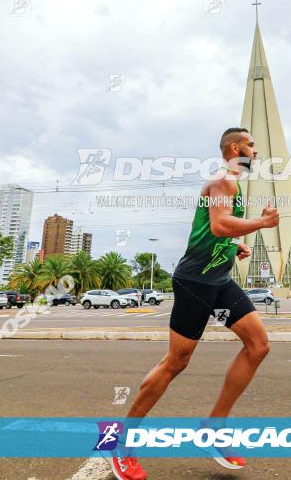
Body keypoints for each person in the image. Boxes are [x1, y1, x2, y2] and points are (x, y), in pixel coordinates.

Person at [109, 128, 279, 480]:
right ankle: (121, 443)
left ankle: (213, 426)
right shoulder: (224, 181)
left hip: (218, 280)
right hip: (195, 281)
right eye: (250, 145)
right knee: (176, 362)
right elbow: (219, 225)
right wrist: (260, 223)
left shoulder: (234, 185)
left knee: (258, 345)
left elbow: (214, 230)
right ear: (235, 148)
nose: (256, 151)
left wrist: (236, 247)